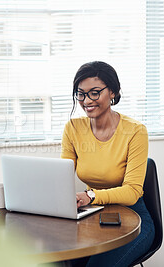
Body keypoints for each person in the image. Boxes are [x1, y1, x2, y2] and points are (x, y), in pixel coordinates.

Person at [61, 61, 155, 267]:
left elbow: (132, 192)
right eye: (81, 94)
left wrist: (90, 196)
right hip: (92, 217)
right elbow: (61, 176)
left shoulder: (135, 131)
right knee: (61, 261)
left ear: (112, 92)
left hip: (134, 221)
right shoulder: (73, 128)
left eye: (95, 93)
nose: (87, 101)